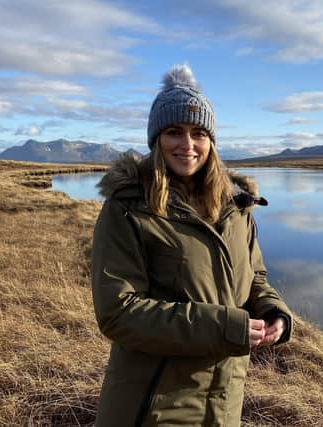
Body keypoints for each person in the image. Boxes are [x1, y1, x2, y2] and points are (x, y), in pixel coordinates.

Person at [90, 64, 293, 427]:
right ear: (156, 139)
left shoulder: (237, 208)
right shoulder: (128, 208)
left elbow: (254, 278)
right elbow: (118, 313)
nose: (187, 145)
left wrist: (274, 312)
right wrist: (225, 328)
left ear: (211, 141)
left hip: (224, 398)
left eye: (198, 133)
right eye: (174, 132)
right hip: (153, 406)